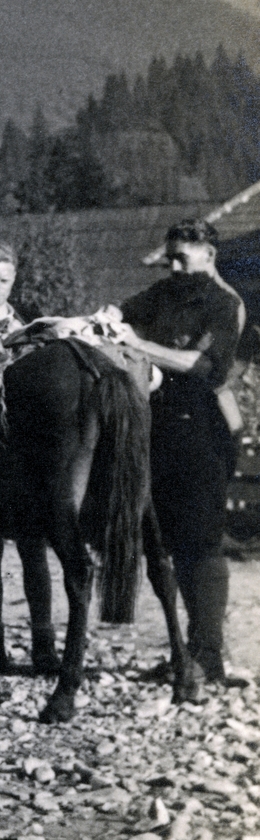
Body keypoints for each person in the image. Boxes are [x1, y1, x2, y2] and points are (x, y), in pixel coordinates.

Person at [118, 219, 244, 686]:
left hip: (204, 428)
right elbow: (123, 314)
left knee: (202, 540)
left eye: (182, 258)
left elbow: (203, 365)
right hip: (159, 424)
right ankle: (186, 650)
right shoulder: (163, 291)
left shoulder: (223, 304)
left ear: (209, 254)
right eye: (169, 257)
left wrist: (139, 345)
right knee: (167, 541)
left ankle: (208, 656)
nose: (173, 266)